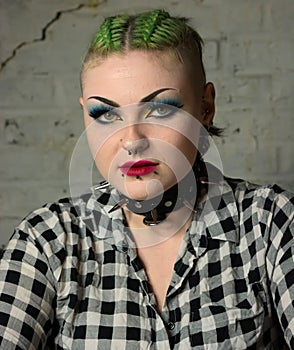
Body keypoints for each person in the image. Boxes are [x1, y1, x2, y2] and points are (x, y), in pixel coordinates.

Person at [0, 8, 293, 350]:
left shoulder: (269, 222)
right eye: (106, 114)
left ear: (206, 107)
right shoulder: (49, 240)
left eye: (161, 109)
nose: (132, 138)